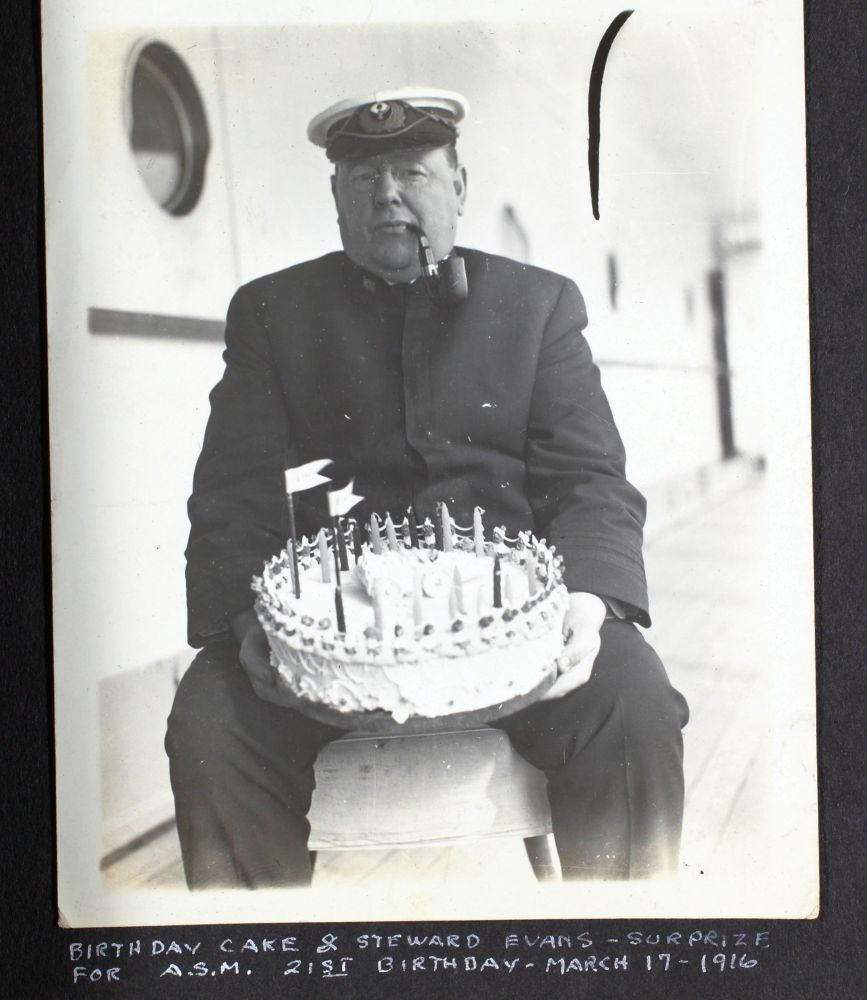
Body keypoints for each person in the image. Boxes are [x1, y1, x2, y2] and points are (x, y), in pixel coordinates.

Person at [166, 88, 689, 888]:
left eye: (412, 171)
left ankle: (620, 948)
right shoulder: (272, 314)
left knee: (635, 702)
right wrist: (243, 625)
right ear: (335, 199)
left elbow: (589, 480)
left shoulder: (538, 306)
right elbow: (232, 496)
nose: (388, 196)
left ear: (458, 185)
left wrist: (589, 605)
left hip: (518, 630)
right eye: (362, 178)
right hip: (332, 633)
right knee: (209, 721)